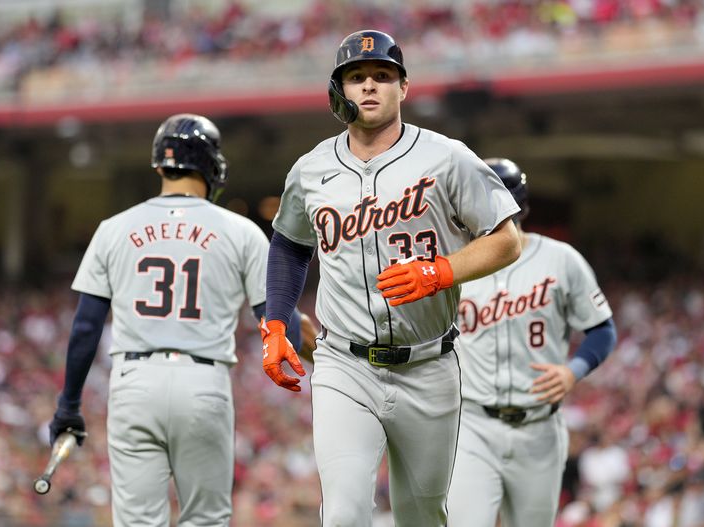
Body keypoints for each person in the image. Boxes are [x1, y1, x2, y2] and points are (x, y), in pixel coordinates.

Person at [259, 30, 522, 526]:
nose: (370, 86)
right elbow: (290, 247)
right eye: (356, 77)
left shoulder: (447, 156)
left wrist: (442, 270)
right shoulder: (311, 169)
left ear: (404, 87)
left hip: (429, 365)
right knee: (342, 513)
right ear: (340, 92)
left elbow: (506, 239)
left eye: (383, 75)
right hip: (344, 364)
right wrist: (275, 323)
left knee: (422, 515)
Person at [47, 113, 313, 526]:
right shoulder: (240, 231)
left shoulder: (114, 228)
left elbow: (85, 327)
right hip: (203, 383)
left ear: (159, 166)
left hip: (134, 381)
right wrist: (300, 330)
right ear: (211, 166)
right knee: (205, 520)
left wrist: (69, 406)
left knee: (137, 522)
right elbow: (279, 323)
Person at [447, 158, 618, 527]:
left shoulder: (561, 259)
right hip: (472, 426)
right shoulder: (454, 265)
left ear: (519, 207)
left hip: (539, 427)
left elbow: (603, 330)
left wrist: (574, 371)